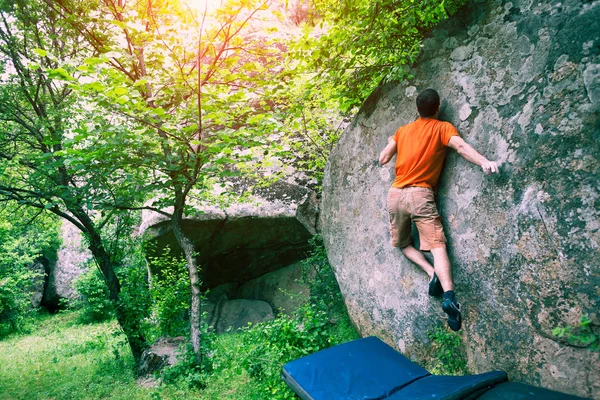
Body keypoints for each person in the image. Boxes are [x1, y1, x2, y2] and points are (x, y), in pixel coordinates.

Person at [378, 88, 498, 331]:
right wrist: (484, 161)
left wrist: (396, 143)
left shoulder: (403, 131)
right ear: (439, 106)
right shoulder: (442, 128)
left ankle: (430, 272)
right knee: (437, 245)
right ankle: (449, 297)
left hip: (395, 194)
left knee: (403, 244)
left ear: (417, 108)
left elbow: (382, 158)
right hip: (421, 194)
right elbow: (462, 148)